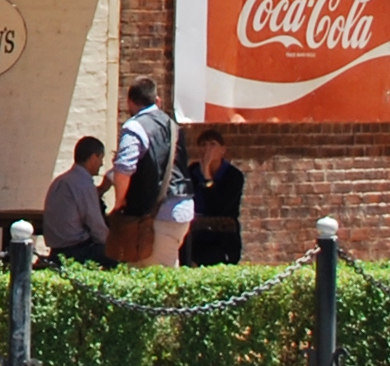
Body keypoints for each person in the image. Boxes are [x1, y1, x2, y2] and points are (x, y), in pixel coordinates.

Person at [106, 77, 178, 267]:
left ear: (130, 102)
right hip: (180, 208)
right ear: (157, 100)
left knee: (147, 273)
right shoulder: (172, 125)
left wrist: (119, 201)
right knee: (166, 269)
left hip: (152, 214)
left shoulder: (135, 126)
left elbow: (124, 168)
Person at [177, 127, 246, 267]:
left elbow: (217, 207)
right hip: (194, 237)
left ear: (222, 150)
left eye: (212, 144)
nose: (207, 149)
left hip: (221, 239)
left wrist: (207, 177)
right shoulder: (192, 172)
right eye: (203, 145)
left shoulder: (233, 176)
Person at [43, 136, 113, 266]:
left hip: (56, 248)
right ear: (94, 157)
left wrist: (101, 189)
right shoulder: (83, 184)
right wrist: (113, 244)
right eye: (101, 159)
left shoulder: (61, 180)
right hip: (77, 249)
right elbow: (96, 226)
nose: (102, 164)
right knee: (118, 257)